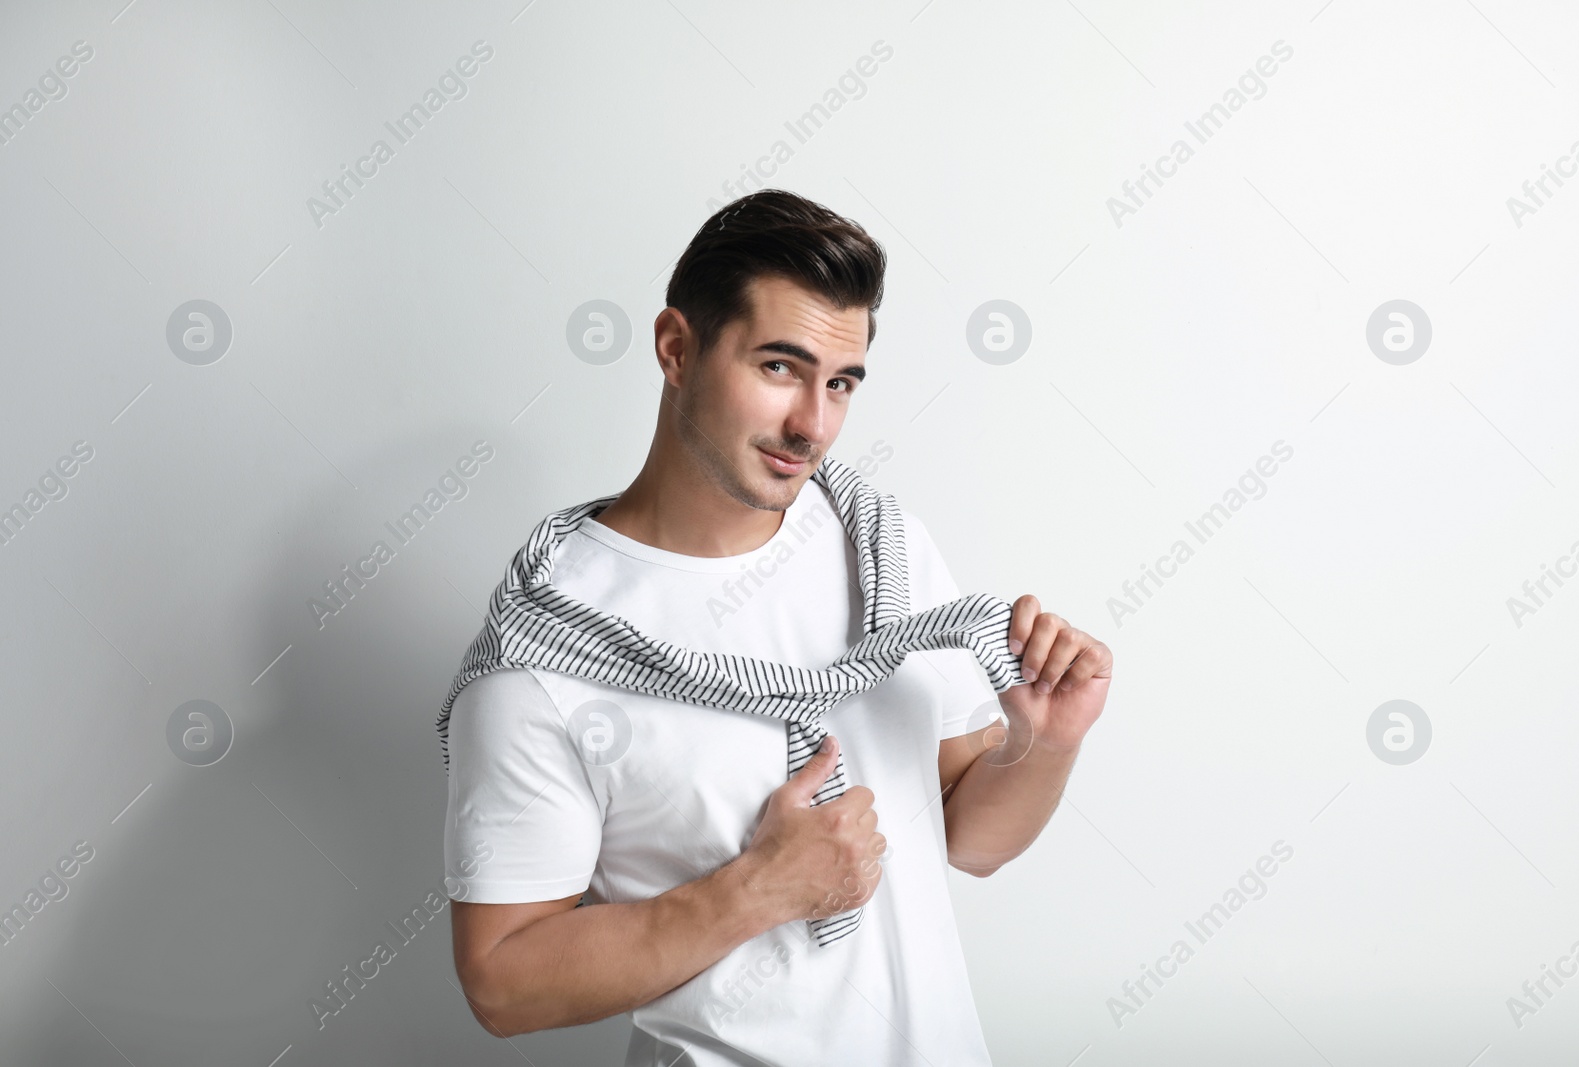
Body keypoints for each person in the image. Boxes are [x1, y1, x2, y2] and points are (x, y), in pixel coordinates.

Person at [442, 189, 1112, 1065]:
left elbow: (972, 840)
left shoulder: (885, 550)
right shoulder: (544, 651)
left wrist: (1045, 742)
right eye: (779, 369)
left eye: (840, 383)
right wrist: (754, 890)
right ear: (676, 348)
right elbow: (502, 980)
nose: (814, 425)